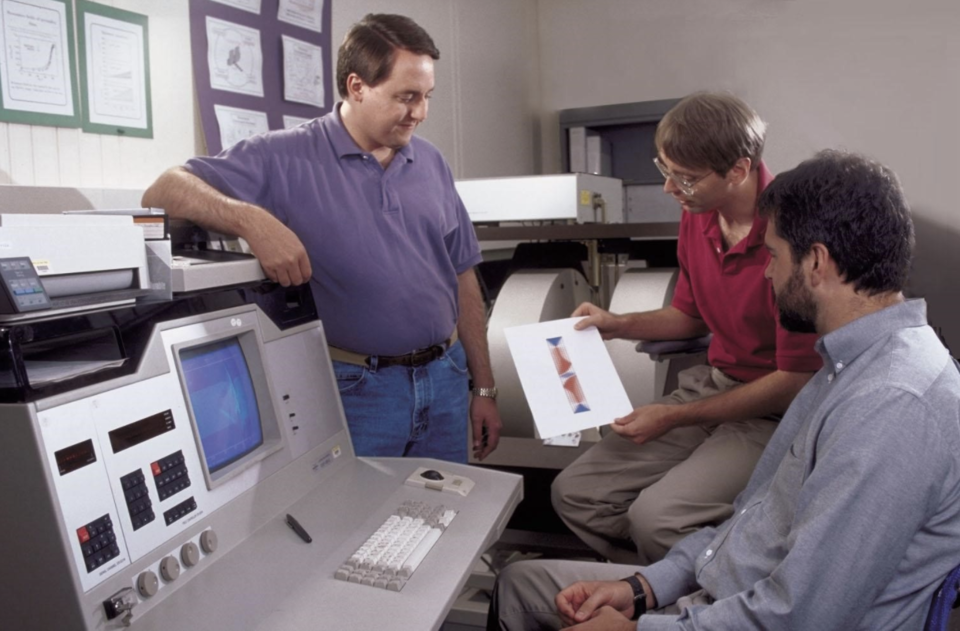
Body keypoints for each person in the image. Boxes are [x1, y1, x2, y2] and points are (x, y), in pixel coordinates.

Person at [489, 150, 960, 630]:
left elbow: (803, 616)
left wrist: (639, 630)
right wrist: (643, 587)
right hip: (721, 595)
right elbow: (749, 521)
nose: (766, 273)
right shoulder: (844, 366)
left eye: (773, 256)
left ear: (816, 262)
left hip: (749, 616)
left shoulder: (893, 404)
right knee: (519, 586)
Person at [141, 14, 501, 463]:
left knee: (450, 521)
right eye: (406, 97)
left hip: (446, 380)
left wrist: (483, 386)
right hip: (357, 393)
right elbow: (163, 191)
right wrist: (252, 220)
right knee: (361, 528)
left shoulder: (430, 161)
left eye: (427, 97)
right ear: (356, 86)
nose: (420, 113)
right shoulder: (283, 156)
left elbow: (463, 275)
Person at [552, 92, 821, 564]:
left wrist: (674, 416)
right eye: (665, 170)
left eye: (686, 178)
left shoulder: (791, 237)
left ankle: (712, 602)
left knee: (659, 519)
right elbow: (690, 314)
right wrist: (616, 324)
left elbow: (792, 382)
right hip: (712, 387)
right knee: (577, 493)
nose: (670, 188)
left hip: (773, 412)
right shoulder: (697, 215)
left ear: (738, 170)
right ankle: (663, 588)